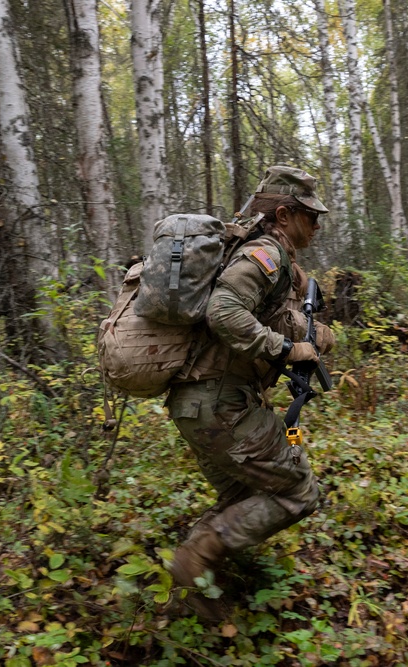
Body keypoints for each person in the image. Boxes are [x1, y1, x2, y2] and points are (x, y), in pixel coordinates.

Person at [166, 165, 336, 619]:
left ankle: (195, 591)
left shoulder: (269, 258)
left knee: (244, 497)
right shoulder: (265, 254)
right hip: (221, 405)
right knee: (298, 491)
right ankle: (195, 558)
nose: (317, 225)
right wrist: (286, 347)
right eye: (310, 216)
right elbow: (223, 312)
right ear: (283, 214)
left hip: (197, 405)